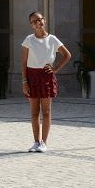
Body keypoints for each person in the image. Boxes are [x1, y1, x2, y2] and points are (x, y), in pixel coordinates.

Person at [21, 10, 71, 153]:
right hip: (31, 76)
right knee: (34, 112)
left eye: (40, 20)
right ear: (31, 25)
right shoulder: (28, 40)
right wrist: (24, 81)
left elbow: (67, 55)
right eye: (34, 21)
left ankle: (44, 142)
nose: (38, 23)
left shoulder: (53, 39)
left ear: (44, 20)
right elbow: (23, 62)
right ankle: (36, 142)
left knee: (47, 111)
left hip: (46, 76)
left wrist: (55, 69)